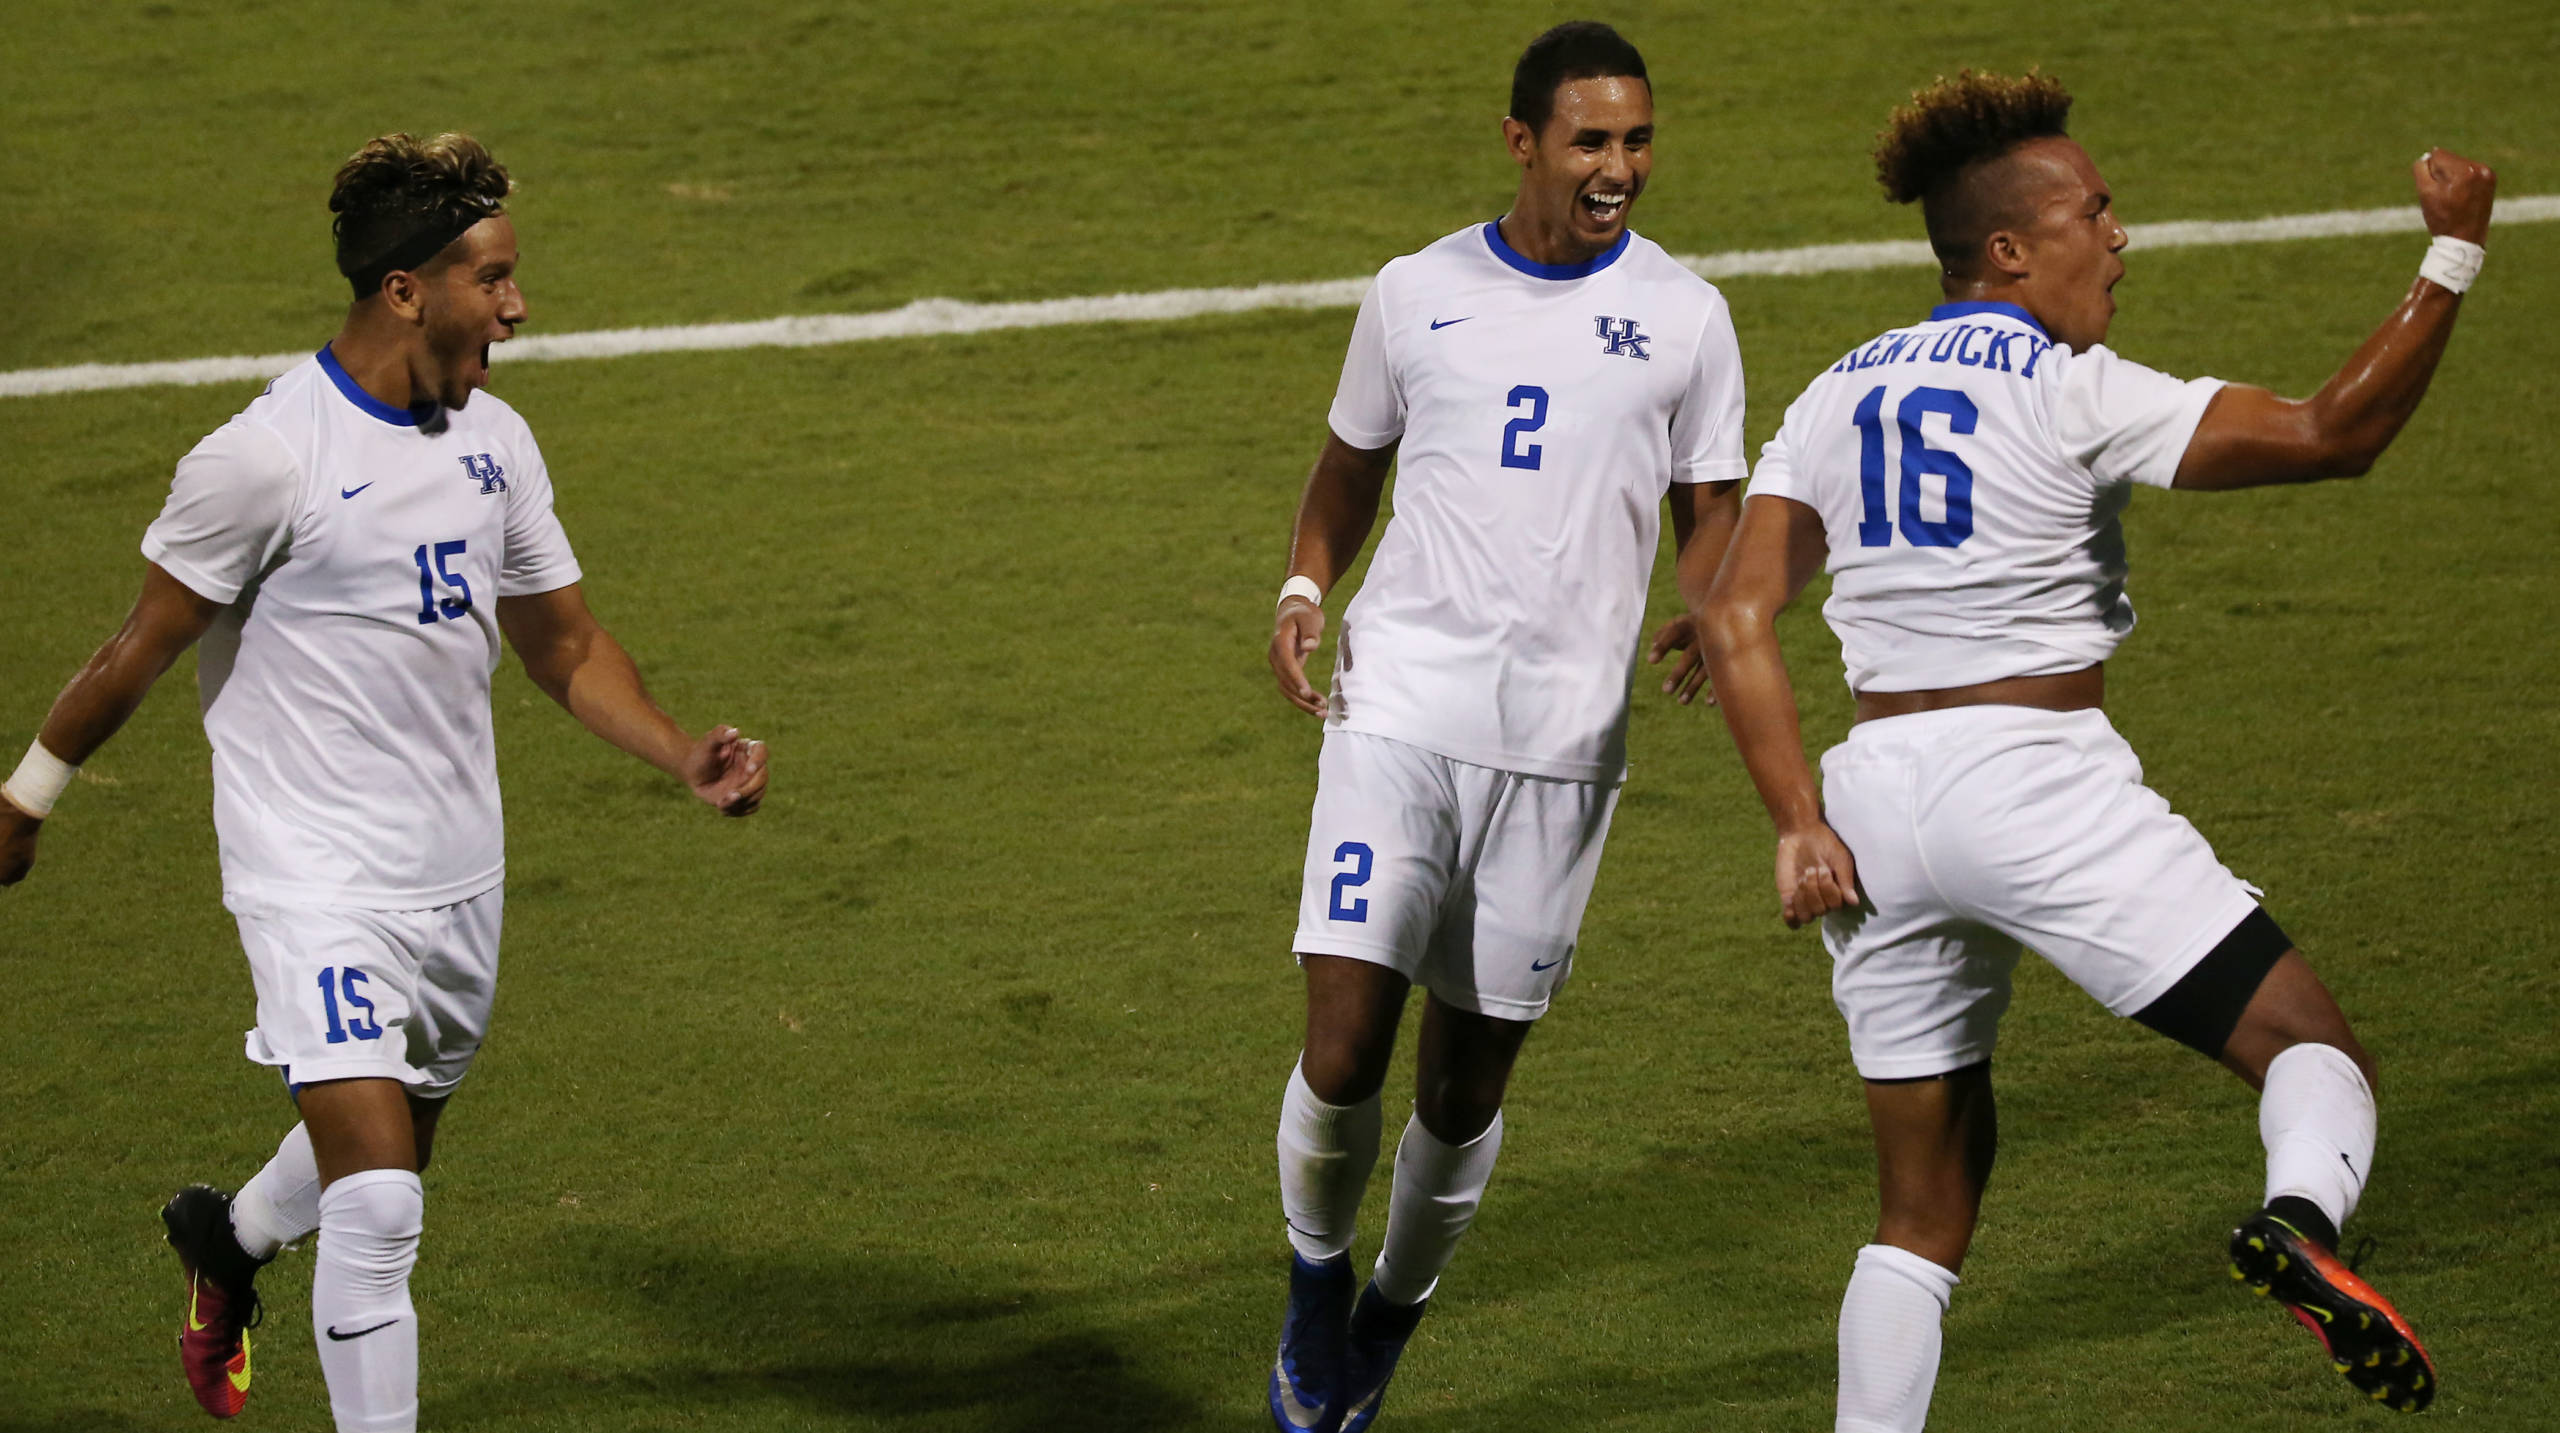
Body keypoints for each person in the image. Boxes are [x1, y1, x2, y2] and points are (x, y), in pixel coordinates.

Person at [1695, 70, 2493, 1430]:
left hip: (1870, 811)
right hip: (2033, 781)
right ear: (2011, 249)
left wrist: (1794, 822)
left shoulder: (1840, 388)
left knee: (1920, 1213)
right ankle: (2301, 1223)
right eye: (2097, 213)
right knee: (2313, 1053)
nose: (2119, 239)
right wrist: (2452, 252)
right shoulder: (2072, 389)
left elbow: (1730, 609)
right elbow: (2330, 433)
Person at [0, 132, 770, 1431]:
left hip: (455, 872)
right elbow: (141, 642)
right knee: (383, 1206)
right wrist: (27, 797)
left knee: (391, 1145)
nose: (518, 306)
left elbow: (565, 643)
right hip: (310, 875)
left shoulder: (498, 446)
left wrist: (677, 748)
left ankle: (231, 1243)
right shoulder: (265, 459)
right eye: (493, 279)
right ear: (406, 288)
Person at [1260, 21, 1748, 1431]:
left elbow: (1707, 510)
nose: (1620, 169)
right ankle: (1310, 1291)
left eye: (1639, 141)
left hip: (1563, 744)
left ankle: (1384, 1328)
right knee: (1345, 1044)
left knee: (1465, 1088)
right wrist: (1305, 587)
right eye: (1592, 141)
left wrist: (1710, 608)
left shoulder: (1686, 317)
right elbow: (1347, 470)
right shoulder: (1416, 293)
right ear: (1523, 138)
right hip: (1399, 704)